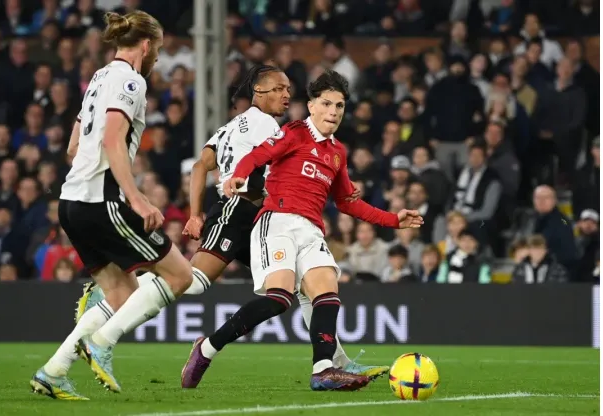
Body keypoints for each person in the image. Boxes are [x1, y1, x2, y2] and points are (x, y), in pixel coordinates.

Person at [75, 65, 392, 379]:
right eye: (280, 90)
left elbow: (202, 166)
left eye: (288, 91)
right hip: (239, 212)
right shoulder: (267, 126)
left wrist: (196, 214)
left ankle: (333, 363)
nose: (286, 96)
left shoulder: (234, 126)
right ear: (260, 93)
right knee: (195, 279)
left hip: (252, 215)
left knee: (303, 289)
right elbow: (255, 170)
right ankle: (114, 291)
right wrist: (242, 189)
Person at [181, 70, 423, 391]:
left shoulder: (338, 153)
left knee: (327, 291)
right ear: (311, 106)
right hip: (277, 221)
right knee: (279, 299)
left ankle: (323, 368)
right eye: (326, 104)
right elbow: (257, 155)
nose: (333, 113)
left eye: (339, 106)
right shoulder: (293, 132)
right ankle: (208, 347)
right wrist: (238, 176)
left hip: (311, 230)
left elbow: (348, 203)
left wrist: (395, 220)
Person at [30, 11, 193, 400]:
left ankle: (53, 371)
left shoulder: (99, 78)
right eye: (158, 49)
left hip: (71, 201)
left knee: (121, 297)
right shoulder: (130, 80)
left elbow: (74, 147)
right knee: (180, 276)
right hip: (100, 200)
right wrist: (135, 198)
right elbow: (113, 140)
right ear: (147, 45)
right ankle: (101, 344)